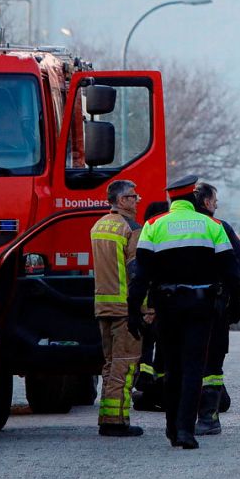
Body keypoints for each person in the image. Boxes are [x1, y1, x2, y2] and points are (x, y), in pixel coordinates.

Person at [127, 195, 236, 449]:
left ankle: (172, 427)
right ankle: (186, 430)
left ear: (172, 198)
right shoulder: (213, 226)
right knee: (193, 369)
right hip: (201, 308)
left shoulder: (154, 225)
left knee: (172, 367)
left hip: (167, 307)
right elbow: (231, 271)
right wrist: (234, 306)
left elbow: (141, 275)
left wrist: (134, 311)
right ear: (193, 199)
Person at [169, 176, 240, 431]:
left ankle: (178, 422)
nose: (216, 205)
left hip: (171, 306)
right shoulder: (217, 227)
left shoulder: (161, 225)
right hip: (211, 306)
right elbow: (239, 268)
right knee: (212, 363)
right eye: (215, 201)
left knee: (180, 361)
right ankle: (208, 418)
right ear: (206, 202)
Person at [90, 179, 143, 437]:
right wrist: (146, 309)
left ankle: (107, 415)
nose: (137, 200)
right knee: (126, 365)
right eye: (133, 197)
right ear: (121, 201)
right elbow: (137, 274)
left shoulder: (99, 225)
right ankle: (116, 421)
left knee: (110, 364)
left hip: (103, 306)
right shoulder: (131, 228)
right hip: (125, 308)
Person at [130, 200, 169, 413]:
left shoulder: (143, 234)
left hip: (145, 305)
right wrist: (150, 308)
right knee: (156, 347)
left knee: (146, 347)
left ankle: (146, 380)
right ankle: (153, 383)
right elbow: (148, 276)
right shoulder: (153, 237)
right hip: (153, 307)